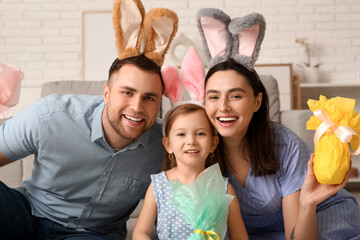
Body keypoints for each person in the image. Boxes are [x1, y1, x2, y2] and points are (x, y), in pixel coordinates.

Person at [0, 0, 179, 239]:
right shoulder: (51, 115)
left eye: (149, 98)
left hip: (92, 234)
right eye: (127, 92)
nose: (136, 107)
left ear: (160, 103)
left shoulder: (165, 148)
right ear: (106, 93)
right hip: (28, 214)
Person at [197, 8, 360, 240]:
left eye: (235, 96)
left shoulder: (284, 145)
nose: (223, 107)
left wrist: (307, 204)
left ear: (257, 102)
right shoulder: (198, 145)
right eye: (213, 97)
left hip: (316, 218)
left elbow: (299, 234)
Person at [133, 103, 248, 240]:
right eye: (181, 134)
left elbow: (239, 236)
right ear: (168, 145)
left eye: (200, 134)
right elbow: (141, 232)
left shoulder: (224, 189)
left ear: (213, 143)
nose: (191, 141)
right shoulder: (159, 186)